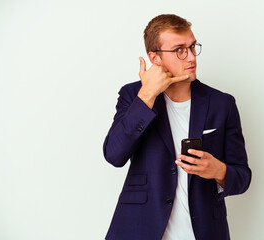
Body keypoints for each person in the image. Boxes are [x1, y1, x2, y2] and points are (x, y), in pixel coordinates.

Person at [103, 14, 251, 240]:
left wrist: (218, 170)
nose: (191, 56)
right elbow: (114, 155)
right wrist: (147, 95)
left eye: (193, 46)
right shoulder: (133, 96)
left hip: (203, 233)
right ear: (155, 57)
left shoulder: (222, 104)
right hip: (140, 230)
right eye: (180, 50)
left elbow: (242, 177)